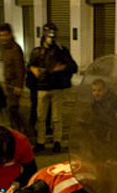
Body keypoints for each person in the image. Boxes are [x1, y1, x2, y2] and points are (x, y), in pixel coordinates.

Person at [28, 23, 78, 153]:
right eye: (49, 34)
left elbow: (73, 66)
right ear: (44, 35)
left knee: (56, 117)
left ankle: (57, 141)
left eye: (53, 35)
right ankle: (40, 142)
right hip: (41, 88)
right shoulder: (37, 51)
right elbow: (30, 66)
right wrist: (33, 69)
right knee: (41, 117)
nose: (51, 37)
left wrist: (62, 67)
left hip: (56, 88)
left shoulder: (61, 51)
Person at [0, 23, 34, 141]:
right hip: (8, 85)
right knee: (12, 111)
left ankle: (26, 132)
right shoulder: (4, 49)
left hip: (14, 85)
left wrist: (19, 85)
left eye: (5, 35)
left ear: (10, 35)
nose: (3, 38)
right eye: (1, 36)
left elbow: (20, 68)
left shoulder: (15, 49)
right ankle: (17, 133)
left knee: (13, 109)